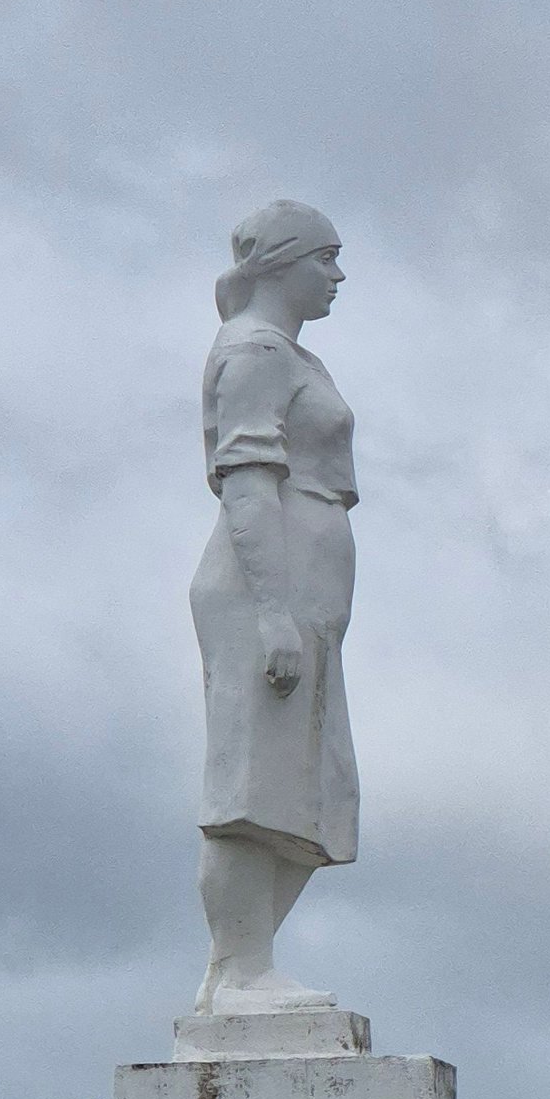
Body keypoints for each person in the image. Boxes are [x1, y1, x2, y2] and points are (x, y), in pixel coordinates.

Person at [189, 199, 360, 1014]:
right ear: (284, 263)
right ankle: (239, 971)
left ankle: (242, 966)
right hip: (268, 587)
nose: (337, 275)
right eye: (325, 258)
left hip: (306, 593)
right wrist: (272, 610)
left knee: (311, 793)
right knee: (250, 787)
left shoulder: (292, 355)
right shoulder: (255, 350)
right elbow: (249, 479)